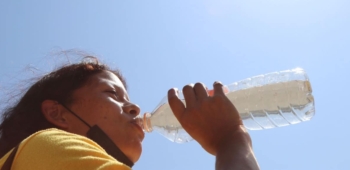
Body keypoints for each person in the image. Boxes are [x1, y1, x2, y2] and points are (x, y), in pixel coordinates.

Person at [0, 57, 259, 169]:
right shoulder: (45, 147)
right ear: (58, 115)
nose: (134, 108)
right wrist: (231, 139)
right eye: (112, 94)